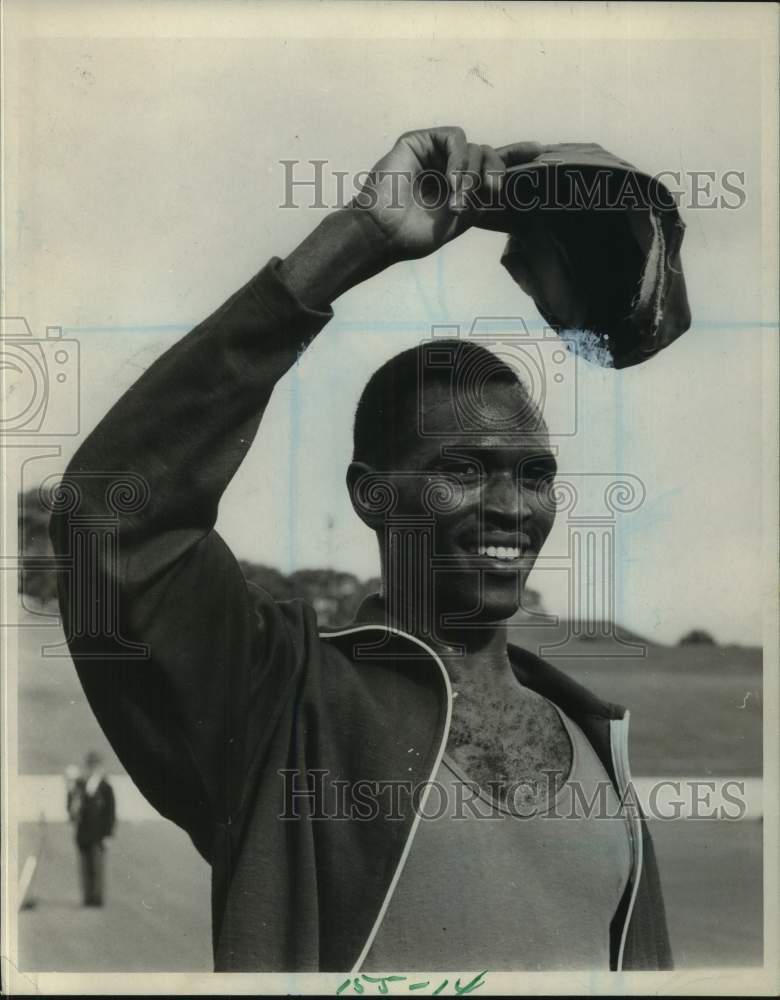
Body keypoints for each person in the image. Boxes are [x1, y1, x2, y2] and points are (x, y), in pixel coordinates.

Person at [50, 127, 673, 971]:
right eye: (464, 470)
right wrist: (356, 241)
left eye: (534, 475)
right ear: (370, 495)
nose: (511, 508)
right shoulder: (280, 704)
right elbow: (111, 516)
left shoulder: (595, 737)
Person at [66, 751, 116, 907]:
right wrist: (70, 788)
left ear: (100, 767)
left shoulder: (106, 787)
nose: (92, 768)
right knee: (85, 866)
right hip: (83, 833)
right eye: (90, 765)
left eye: (95, 765)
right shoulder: (80, 785)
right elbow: (71, 807)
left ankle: (97, 897)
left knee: (97, 866)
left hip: (98, 834)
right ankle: (87, 897)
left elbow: (110, 813)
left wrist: (108, 834)